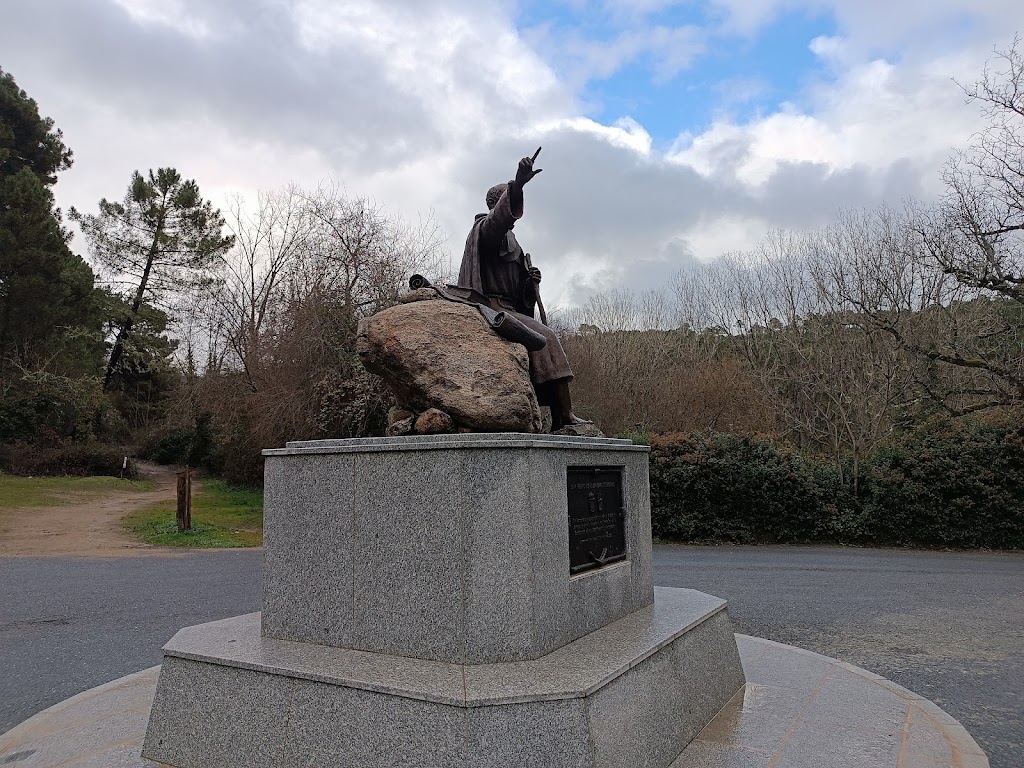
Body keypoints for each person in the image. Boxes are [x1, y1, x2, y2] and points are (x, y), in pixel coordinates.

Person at [458, 148, 590, 430]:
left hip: (510, 308)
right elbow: (499, 222)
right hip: (490, 307)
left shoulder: (513, 244)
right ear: (498, 204)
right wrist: (517, 184)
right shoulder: (486, 229)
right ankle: (564, 415)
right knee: (546, 337)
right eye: (508, 197)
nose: (516, 202)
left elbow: (522, 298)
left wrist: (530, 282)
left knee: (545, 337)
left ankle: (561, 416)